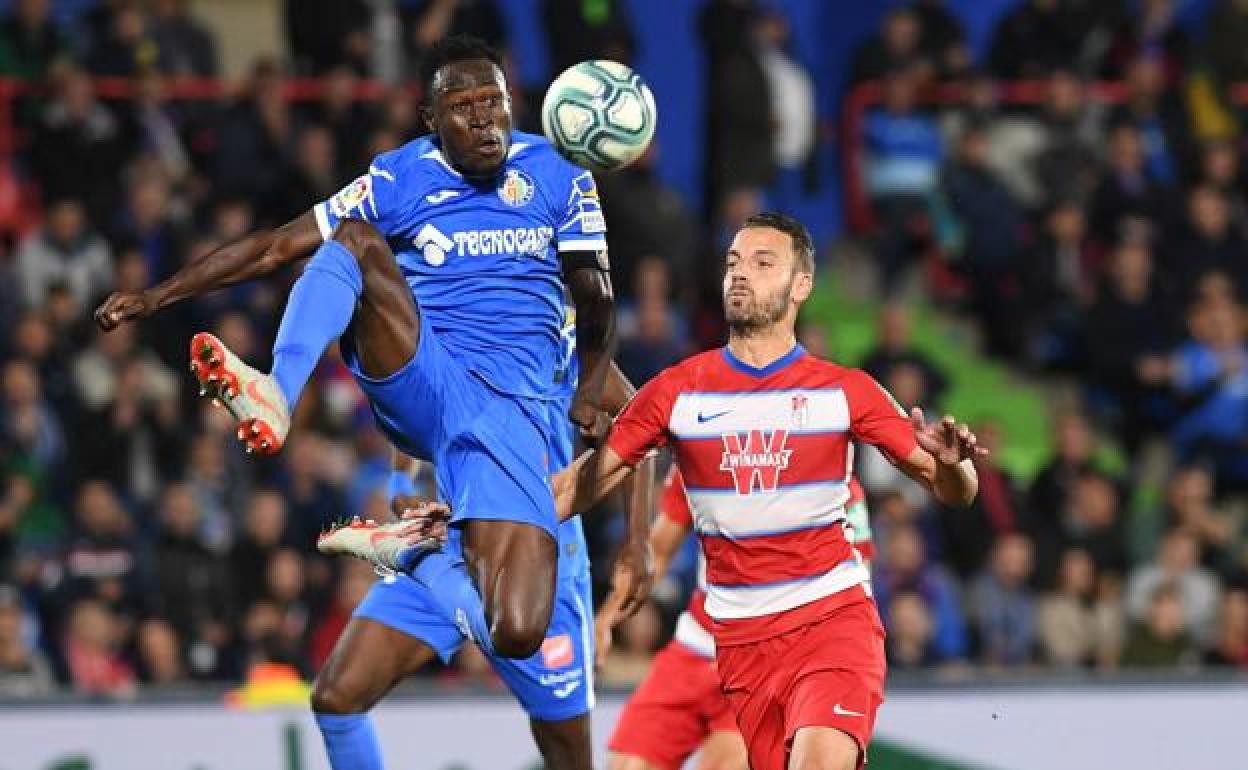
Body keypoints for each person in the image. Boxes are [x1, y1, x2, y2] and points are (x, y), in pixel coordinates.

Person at [93, 35, 651, 770]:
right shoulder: (398, 180)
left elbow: (640, 418)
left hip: (502, 481)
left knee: (520, 643)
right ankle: (276, 392)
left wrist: (634, 545)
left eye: (495, 103)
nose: (484, 120)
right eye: (463, 106)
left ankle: (426, 561)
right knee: (349, 241)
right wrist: (158, 297)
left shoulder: (561, 241)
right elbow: (271, 247)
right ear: (431, 118)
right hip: (431, 396)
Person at [550, 212, 983, 770]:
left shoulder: (845, 392)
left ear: (800, 285)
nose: (740, 275)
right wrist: (472, 513)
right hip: (740, 647)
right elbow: (573, 490)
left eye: (762, 263)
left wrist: (955, 466)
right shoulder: (676, 393)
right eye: (733, 263)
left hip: (832, 623)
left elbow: (954, 488)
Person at [597, 466, 872, 770]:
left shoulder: (836, 477)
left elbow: (859, 580)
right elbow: (658, 552)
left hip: (764, 658)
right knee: (625, 764)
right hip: (694, 645)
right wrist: (607, 618)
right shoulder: (699, 447)